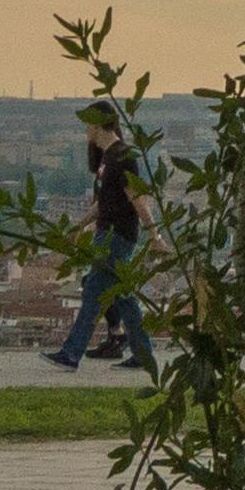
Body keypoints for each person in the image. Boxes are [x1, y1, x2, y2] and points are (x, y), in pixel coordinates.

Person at [48, 109, 151, 373]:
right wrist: (79, 227)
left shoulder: (122, 156)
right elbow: (101, 203)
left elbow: (137, 197)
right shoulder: (107, 158)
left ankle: (71, 353)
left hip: (117, 234)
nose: (86, 131)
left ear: (97, 125)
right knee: (123, 295)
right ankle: (142, 354)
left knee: (94, 290)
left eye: (87, 125)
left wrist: (155, 232)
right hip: (108, 233)